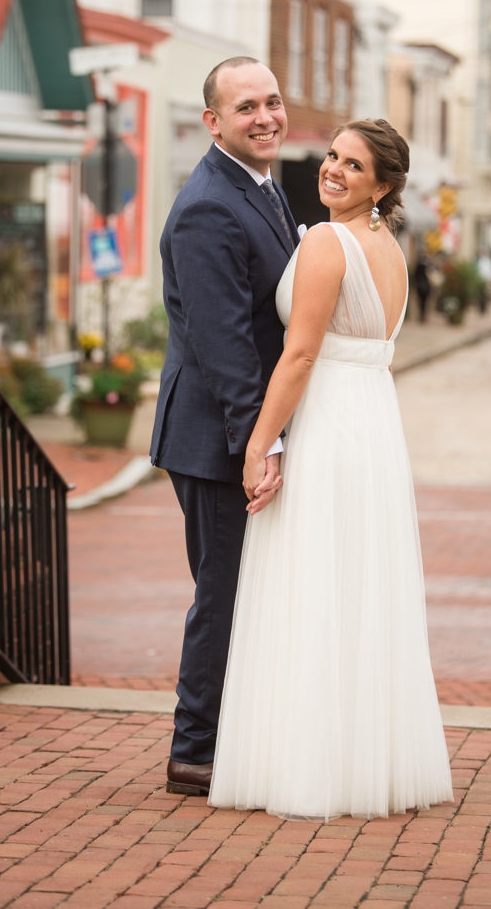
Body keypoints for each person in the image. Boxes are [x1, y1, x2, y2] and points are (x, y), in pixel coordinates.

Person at [209, 119, 453, 819]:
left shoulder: (325, 240)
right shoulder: (392, 249)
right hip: (374, 425)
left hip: (327, 426)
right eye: (332, 156)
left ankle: (312, 769)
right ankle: (363, 762)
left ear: (383, 185)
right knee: (361, 589)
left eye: (353, 165)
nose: (334, 170)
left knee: (312, 583)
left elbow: (300, 355)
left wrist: (260, 442)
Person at [151, 56, 294, 798]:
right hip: (215, 439)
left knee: (245, 588)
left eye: (272, 101)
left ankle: (231, 731)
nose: (265, 116)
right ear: (212, 122)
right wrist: (259, 442)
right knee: (225, 590)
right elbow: (223, 342)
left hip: (240, 430)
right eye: (246, 107)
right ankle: (193, 750)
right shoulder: (209, 203)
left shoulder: (264, 188)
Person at [413, 253, 434, 323]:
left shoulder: (419, 266)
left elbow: (415, 276)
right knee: (424, 302)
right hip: (426, 287)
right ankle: (423, 315)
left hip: (420, 286)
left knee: (421, 302)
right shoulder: (428, 267)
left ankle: (421, 315)